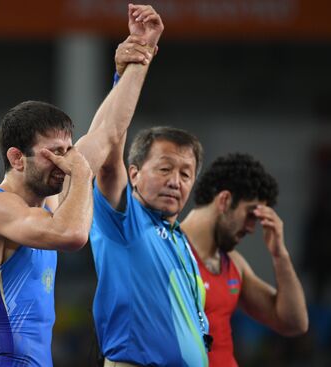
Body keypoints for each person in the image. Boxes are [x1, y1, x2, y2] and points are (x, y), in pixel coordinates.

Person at [0, 4, 161, 365]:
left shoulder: (49, 205)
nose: (67, 160)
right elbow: (72, 235)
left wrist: (136, 61)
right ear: (18, 158)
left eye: (69, 150)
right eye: (55, 152)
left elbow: (108, 133)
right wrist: (83, 172)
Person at [91, 22, 210, 366]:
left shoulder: (181, 241)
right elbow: (109, 146)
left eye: (186, 173)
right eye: (164, 168)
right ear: (134, 174)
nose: (176, 180)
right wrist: (130, 71)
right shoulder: (124, 217)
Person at [180, 153, 309, 367]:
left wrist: (280, 255)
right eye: (250, 215)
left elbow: (294, 323)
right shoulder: (168, 252)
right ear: (225, 200)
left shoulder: (233, 264)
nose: (251, 228)